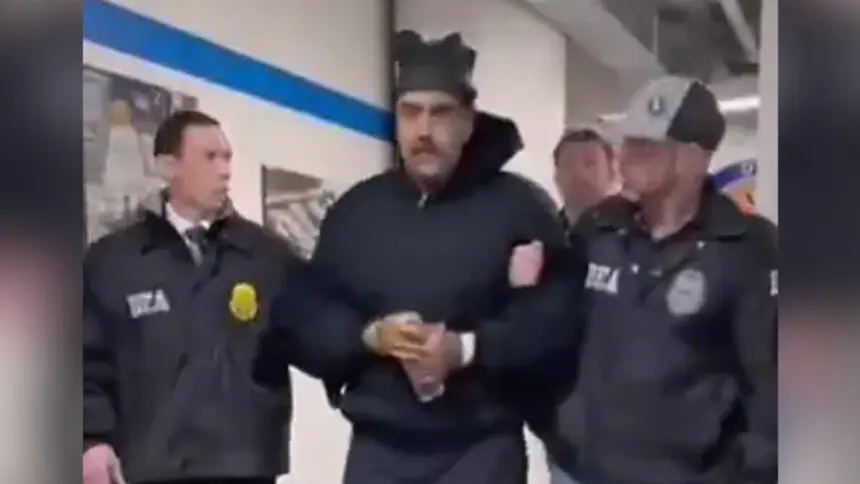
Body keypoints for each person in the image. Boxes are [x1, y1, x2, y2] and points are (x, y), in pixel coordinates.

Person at [253, 31, 577, 484]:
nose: (423, 131)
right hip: (378, 451)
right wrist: (369, 336)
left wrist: (466, 348)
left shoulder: (520, 209)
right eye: (410, 113)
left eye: (440, 112)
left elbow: (557, 321)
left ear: (467, 122)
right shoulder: (356, 212)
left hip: (482, 451)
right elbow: (305, 314)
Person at [540, 77, 778, 484]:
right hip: (581, 471)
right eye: (627, 143)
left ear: (694, 158)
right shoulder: (599, 229)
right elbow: (556, 333)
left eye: (646, 146)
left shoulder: (747, 248)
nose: (626, 157)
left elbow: (773, 391)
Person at [83, 110, 301, 484]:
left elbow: (316, 329)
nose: (225, 170)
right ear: (169, 166)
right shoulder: (112, 260)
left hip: (245, 466)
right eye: (210, 157)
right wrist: (91, 440)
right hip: (149, 467)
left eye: (227, 157)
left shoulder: (267, 255)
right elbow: (85, 361)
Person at [552, 126, 620, 233]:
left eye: (590, 163)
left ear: (611, 173)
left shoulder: (636, 234)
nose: (578, 172)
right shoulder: (543, 233)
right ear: (556, 177)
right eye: (568, 165)